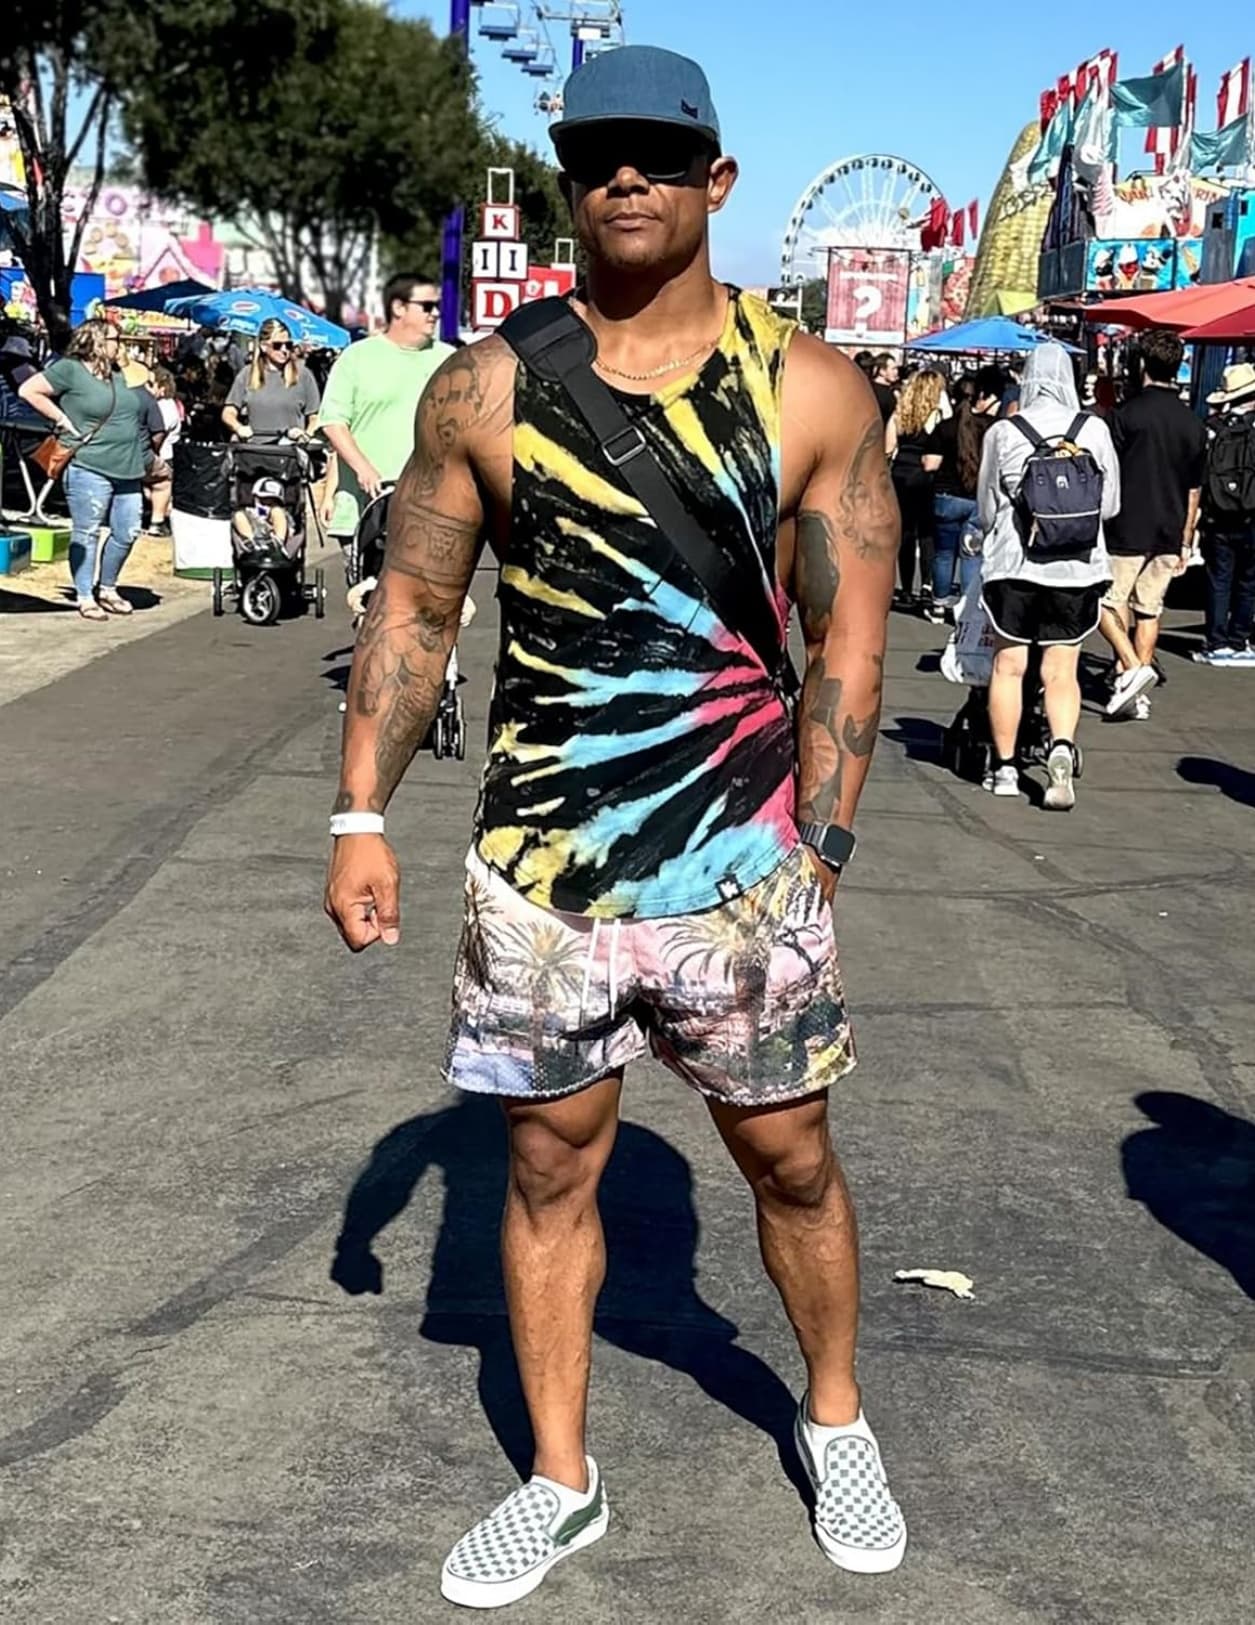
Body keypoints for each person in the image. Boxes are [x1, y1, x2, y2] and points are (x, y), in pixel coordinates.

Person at [324, 44, 906, 1607]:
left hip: (741, 870)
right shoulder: (484, 389)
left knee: (789, 1161)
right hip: (543, 876)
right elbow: (414, 609)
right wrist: (358, 810)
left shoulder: (809, 388)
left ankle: (833, 1417)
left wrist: (817, 849)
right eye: (596, 156)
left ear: (716, 179)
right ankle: (559, 1479)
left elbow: (848, 640)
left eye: (657, 153)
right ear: (567, 181)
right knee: (541, 1171)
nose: (625, 178)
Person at [977, 342, 1120, 808]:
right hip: (1076, 569)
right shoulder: (1093, 428)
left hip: (1014, 568)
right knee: (1061, 671)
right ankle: (1060, 747)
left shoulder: (1004, 431)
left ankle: (1004, 768)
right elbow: (1110, 506)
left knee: (1009, 667)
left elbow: (986, 507)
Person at [1099, 330, 1206, 717]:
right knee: (1149, 608)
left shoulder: (1125, 415)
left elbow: (1107, 472)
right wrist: (1186, 537)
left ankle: (1131, 669)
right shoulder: (1192, 423)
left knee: (1108, 601)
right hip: (1170, 524)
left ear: (1141, 364)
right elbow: (1194, 488)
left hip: (1128, 522)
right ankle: (1137, 690)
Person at [18, 318, 152, 620]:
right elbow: (29, 390)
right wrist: (62, 420)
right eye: (115, 339)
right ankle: (85, 596)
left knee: (127, 531)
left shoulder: (119, 374)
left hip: (129, 467)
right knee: (87, 531)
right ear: (97, 341)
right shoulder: (70, 370)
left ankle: (108, 588)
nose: (120, 345)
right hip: (88, 464)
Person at [319, 272, 453, 540]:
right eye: (427, 306)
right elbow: (334, 423)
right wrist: (363, 469)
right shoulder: (357, 357)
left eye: (438, 306)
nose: (436, 313)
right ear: (399, 307)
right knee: (373, 571)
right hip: (367, 505)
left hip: (429, 507)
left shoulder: (450, 360)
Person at [922, 365, 1005, 620]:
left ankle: (939, 604)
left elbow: (930, 464)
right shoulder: (995, 429)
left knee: (944, 553)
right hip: (977, 498)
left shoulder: (946, 427)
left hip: (946, 496)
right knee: (972, 555)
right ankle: (966, 607)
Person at [1198, 362, 1255, 666]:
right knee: (1249, 580)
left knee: (1219, 579)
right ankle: (1239, 639)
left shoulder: (1213, 428)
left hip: (1217, 516)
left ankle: (1216, 641)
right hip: (1252, 516)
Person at [885, 367, 943, 609]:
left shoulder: (900, 413)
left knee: (906, 533)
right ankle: (927, 584)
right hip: (926, 476)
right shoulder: (937, 416)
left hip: (901, 474)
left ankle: (907, 587)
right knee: (927, 533)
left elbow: (888, 448)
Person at [222, 319, 320, 441]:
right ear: (263, 346)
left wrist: (306, 436)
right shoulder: (247, 374)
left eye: (288, 345)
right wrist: (238, 428)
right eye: (277, 345)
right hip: (254, 449)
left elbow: (315, 417)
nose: (284, 350)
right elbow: (228, 412)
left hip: (291, 449)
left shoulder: (303, 375)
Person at [145, 366, 182, 537]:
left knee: (161, 486)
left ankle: (159, 521)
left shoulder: (166, 407)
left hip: (162, 456)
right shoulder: (154, 404)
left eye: (150, 384)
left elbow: (158, 434)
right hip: (150, 454)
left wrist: (150, 451)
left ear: (162, 387)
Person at [870, 351, 899, 423]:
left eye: (896, 368)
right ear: (882, 371)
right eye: (893, 369)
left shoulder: (868, 387)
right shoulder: (887, 394)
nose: (896, 372)